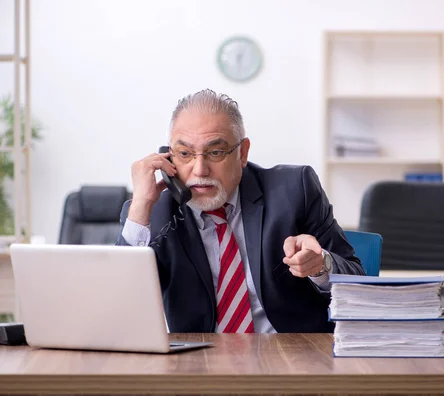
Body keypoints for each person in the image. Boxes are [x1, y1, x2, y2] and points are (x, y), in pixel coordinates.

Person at [116, 89, 364, 333]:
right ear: (168, 157)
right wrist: (139, 208)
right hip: (199, 361)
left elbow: (358, 283)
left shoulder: (295, 190)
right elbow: (120, 307)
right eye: (185, 154)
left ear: (243, 152)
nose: (200, 169)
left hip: (290, 357)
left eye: (215, 152)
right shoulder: (152, 211)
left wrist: (320, 265)